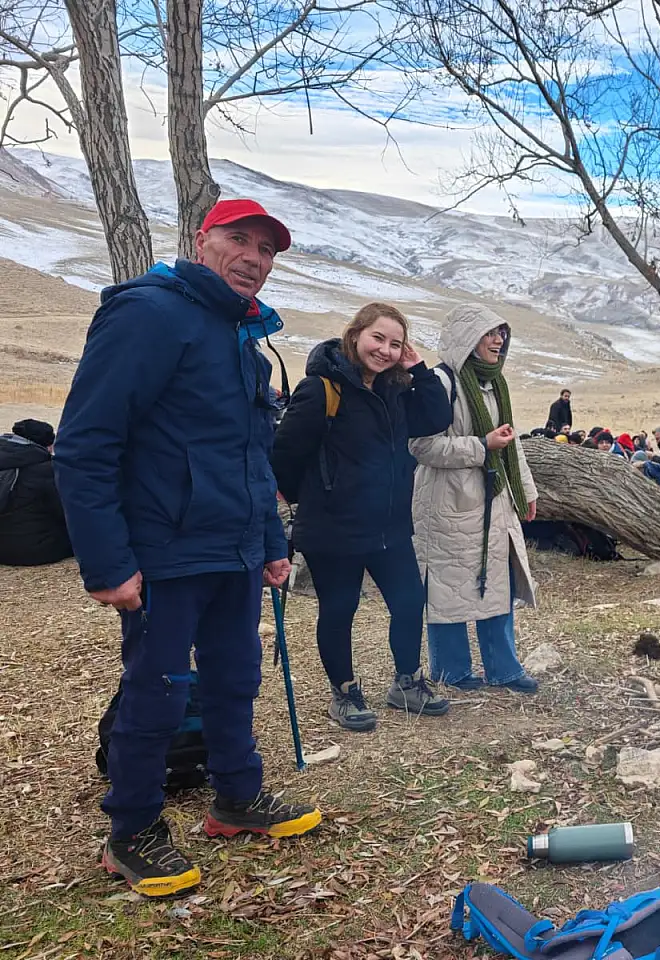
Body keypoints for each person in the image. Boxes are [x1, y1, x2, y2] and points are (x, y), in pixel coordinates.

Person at [54, 199, 320, 898]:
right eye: (241, 241)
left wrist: (269, 542)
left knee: (235, 677)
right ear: (203, 241)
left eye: (267, 250)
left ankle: (237, 799)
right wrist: (108, 563)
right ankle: (133, 830)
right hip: (163, 548)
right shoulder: (147, 314)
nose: (255, 260)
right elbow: (85, 443)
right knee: (158, 690)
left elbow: (250, 455)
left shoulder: (242, 335)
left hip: (232, 548)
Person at [271, 303, 453, 732]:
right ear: (355, 336)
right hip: (334, 528)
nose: (386, 350)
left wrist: (419, 367)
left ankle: (407, 683)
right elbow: (283, 456)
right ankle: (345, 692)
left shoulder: (396, 390)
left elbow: (436, 417)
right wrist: (321, 496)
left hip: (388, 526)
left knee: (409, 601)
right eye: (378, 339)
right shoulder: (321, 389)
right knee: (339, 608)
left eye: (396, 343)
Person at [411, 305, 540, 693]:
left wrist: (527, 491)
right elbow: (421, 446)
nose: (499, 340)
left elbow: (510, 443)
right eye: (490, 333)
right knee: (448, 586)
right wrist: (481, 446)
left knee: (497, 582)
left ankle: (504, 668)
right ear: (467, 338)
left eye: (502, 333)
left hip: (494, 498)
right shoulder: (441, 382)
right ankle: (451, 670)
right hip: (447, 502)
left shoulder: (495, 384)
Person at [0, 419, 72, 566]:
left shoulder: (6, 458)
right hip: (31, 550)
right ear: (48, 445)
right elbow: (65, 511)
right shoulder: (44, 469)